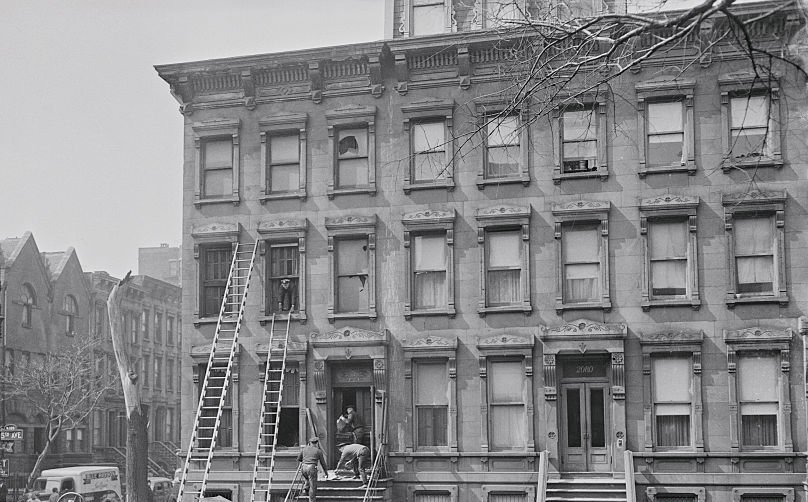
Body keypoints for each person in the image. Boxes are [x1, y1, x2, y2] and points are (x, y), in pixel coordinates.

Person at [296, 437, 329, 502]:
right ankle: (312, 500)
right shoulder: (318, 451)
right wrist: (326, 472)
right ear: (316, 443)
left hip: (304, 468)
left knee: (307, 479)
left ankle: (305, 491)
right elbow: (323, 463)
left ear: (309, 443)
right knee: (313, 485)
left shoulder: (304, 449)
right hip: (311, 468)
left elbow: (299, 459)